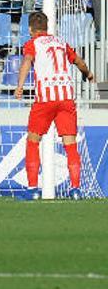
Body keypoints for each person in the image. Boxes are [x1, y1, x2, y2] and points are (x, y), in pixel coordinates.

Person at [14, 11, 95, 200]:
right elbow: (79, 62)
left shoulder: (32, 43)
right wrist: (89, 74)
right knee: (70, 144)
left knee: (33, 141)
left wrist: (20, 86)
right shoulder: (60, 42)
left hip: (45, 99)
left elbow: (27, 61)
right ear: (47, 27)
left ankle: (33, 189)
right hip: (66, 97)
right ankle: (75, 190)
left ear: (30, 29)